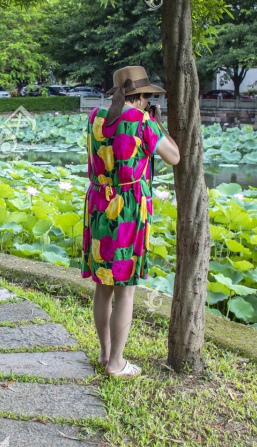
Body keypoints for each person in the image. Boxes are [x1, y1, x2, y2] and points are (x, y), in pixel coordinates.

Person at [82, 65, 180, 378]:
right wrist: (157, 121)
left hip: (99, 204)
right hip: (127, 210)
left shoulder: (96, 116)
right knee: (125, 289)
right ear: (139, 97)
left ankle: (104, 353)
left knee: (103, 286)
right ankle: (116, 364)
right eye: (148, 96)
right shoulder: (142, 120)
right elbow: (174, 156)